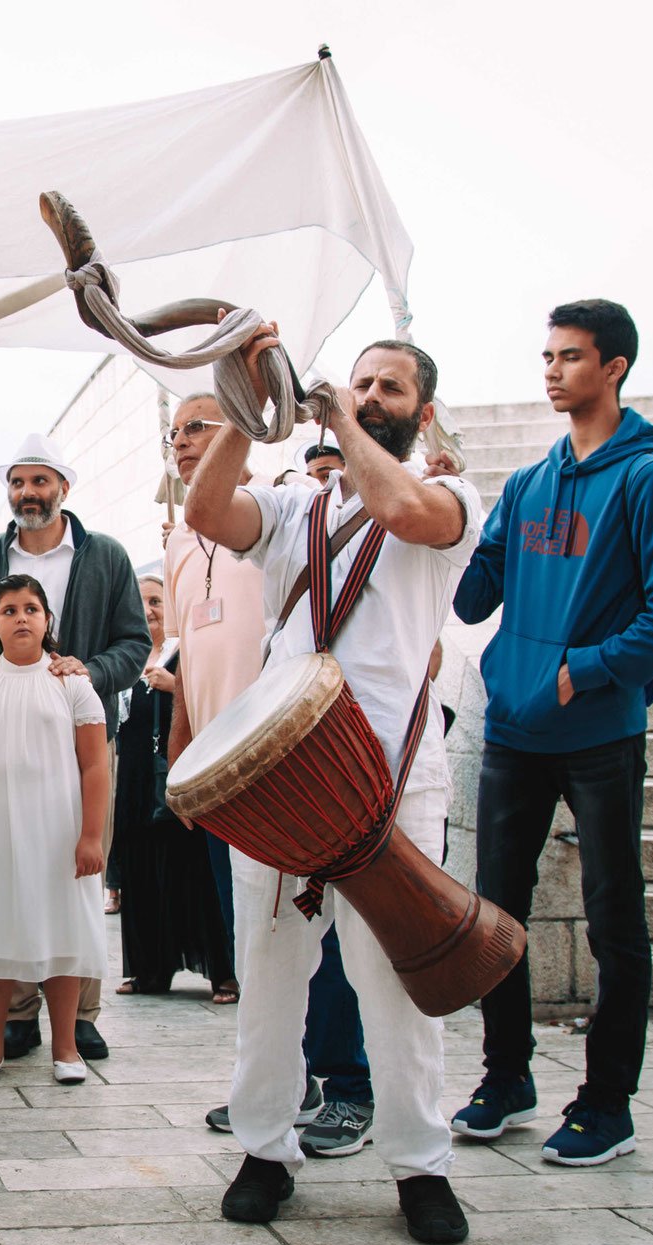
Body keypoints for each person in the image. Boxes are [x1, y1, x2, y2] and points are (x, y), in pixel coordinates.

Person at [188, 329, 482, 1245]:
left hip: (392, 778)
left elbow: (400, 508)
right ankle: (264, 1148)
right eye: (361, 383)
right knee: (271, 973)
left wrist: (342, 421)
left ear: (422, 411)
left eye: (391, 387)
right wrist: (248, 403)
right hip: (286, 780)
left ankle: (420, 1165)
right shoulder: (295, 506)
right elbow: (206, 510)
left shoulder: (450, 496)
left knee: (392, 983)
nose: (371, 395)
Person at [449, 300, 653, 1167]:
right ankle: (506, 1077)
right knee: (496, 915)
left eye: (571, 356)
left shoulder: (651, 479)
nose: (553, 371)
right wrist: (457, 516)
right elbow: (471, 599)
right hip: (515, 729)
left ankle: (606, 1103)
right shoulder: (527, 484)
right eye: (547, 356)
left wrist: (584, 669)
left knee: (613, 920)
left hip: (599, 732)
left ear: (615, 366)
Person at [173, 403, 378, 1158]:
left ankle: (348, 1086)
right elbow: (189, 653)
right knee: (259, 945)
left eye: (200, 426)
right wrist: (182, 749)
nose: (184, 441)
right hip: (222, 771)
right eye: (177, 432)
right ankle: (282, 1090)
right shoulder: (180, 540)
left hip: (293, 761)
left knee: (326, 940)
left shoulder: (286, 510)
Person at [0, 434, 147, 1064]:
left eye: (40, 481)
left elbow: (135, 642)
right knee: (6, 872)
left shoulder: (104, 555)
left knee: (73, 872)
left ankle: (80, 1017)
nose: (28, 493)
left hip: (80, 740)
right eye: (18, 482)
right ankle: (16, 1015)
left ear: (63, 486)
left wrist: (89, 671)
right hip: (0, 743)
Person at [0, 573, 112, 1084]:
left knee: (61, 931)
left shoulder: (72, 683)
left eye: (31, 609)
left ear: (47, 619)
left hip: (57, 831)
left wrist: (91, 835)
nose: (21, 618)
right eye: (9, 611)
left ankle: (66, 1049)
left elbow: (95, 766)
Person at [111, 573, 232, 999]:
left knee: (195, 875)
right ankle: (148, 971)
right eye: (140, 602)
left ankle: (223, 972)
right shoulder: (125, 656)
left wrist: (174, 684)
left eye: (156, 601)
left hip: (180, 775)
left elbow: (214, 695)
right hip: (135, 780)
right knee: (141, 871)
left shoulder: (186, 652)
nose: (148, 611)